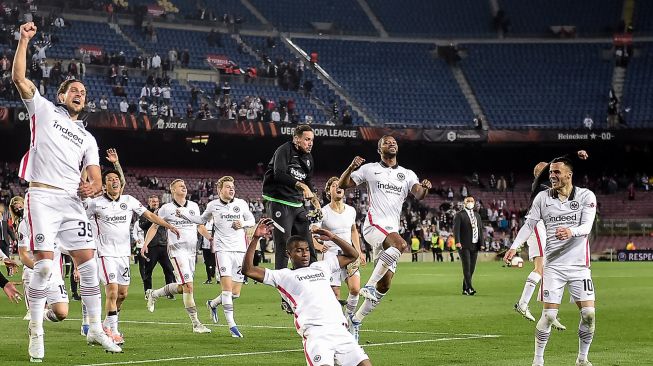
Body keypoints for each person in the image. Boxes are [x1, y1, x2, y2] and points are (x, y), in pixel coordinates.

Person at [12, 22, 121, 360]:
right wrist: (23, 40)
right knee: (44, 267)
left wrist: (95, 184)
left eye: (84, 92)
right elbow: (18, 78)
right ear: (61, 96)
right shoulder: (43, 110)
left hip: (72, 202)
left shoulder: (88, 138)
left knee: (88, 266)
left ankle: (94, 329)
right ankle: (35, 331)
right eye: (73, 89)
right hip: (42, 196)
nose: (79, 93)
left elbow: (94, 173)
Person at [505, 157, 597, 366]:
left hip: (579, 266)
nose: (552, 176)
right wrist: (514, 247)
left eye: (557, 172)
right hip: (553, 267)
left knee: (589, 315)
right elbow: (529, 225)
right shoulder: (542, 198)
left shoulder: (586, 196)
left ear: (569, 175)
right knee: (548, 315)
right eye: (551, 173)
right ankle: (538, 361)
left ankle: (582, 359)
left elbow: (587, 227)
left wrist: (571, 231)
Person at [243, 219, 372, 366]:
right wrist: (255, 239)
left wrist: (333, 237)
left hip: (340, 331)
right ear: (288, 254)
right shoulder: (283, 276)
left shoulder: (321, 267)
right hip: (317, 335)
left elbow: (352, 255)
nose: (305, 254)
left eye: (306, 249)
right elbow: (248, 270)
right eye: (298, 250)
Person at [338, 135, 431, 337]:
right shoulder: (370, 169)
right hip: (374, 225)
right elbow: (343, 184)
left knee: (385, 284)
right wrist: (351, 167)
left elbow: (419, 194)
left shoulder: (407, 174)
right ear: (379, 148)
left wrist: (425, 187)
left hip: (391, 230)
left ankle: (355, 320)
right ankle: (368, 286)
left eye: (394, 142)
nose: (392, 143)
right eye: (387, 142)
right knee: (401, 245)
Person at [85, 168, 179, 345]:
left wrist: (169, 226)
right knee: (112, 291)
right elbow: (79, 219)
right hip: (105, 254)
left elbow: (150, 215)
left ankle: (103, 326)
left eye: (116, 178)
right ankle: (113, 331)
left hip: (123, 255)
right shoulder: (95, 204)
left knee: (122, 294)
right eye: (110, 179)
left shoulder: (129, 201)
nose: (114, 181)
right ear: (104, 185)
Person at [505, 150, 588, 325]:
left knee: (549, 270)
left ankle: (549, 312)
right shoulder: (540, 188)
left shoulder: (554, 191)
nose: (552, 175)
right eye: (549, 171)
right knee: (542, 268)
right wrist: (573, 155)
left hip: (545, 228)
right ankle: (524, 303)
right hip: (537, 227)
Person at [179, 176, 255, 337]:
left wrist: (244, 224)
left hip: (240, 250)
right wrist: (184, 214)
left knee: (236, 293)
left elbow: (252, 219)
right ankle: (232, 326)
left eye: (232, 186)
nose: (231, 189)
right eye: (227, 186)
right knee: (227, 291)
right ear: (220, 190)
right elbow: (200, 220)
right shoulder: (213, 205)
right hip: (223, 251)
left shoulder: (241, 204)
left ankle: (212, 304)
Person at [262, 124, 320, 312]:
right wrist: (301, 186)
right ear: (296, 139)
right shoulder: (284, 150)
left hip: (297, 205)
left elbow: (309, 182)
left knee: (308, 246)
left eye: (311, 140)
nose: (310, 143)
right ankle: (284, 296)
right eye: (306, 139)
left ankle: (313, 290)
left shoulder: (309, 158)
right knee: (283, 245)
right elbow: (279, 174)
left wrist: (316, 201)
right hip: (278, 201)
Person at [144, 179, 212, 333]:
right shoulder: (166, 209)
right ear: (172, 190)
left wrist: (210, 238)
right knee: (189, 286)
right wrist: (145, 244)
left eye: (185, 186)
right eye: (180, 186)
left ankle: (153, 294)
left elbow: (200, 226)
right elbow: (154, 226)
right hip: (176, 251)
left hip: (191, 252)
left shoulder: (193, 206)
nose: (184, 188)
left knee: (183, 287)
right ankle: (196, 324)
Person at [312, 176, 366, 340]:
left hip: (349, 254)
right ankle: (336, 326)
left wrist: (359, 250)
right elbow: (312, 231)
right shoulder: (323, 211)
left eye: (340, 185)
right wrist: (319, 246)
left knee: (355, 289)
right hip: (331, 256)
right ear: (329, 191)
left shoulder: (351, 210)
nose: (338, 187)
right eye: (334, 185)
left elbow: (353, 231)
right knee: (334, 296)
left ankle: (348, 318)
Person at [139, 194, 176, 296]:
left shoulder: (163, 213)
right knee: (148, 271)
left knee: (169, 269)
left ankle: (169, 292)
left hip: (164, 245)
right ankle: (148, 292)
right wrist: (154, 217)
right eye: (153, 201)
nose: (155, 203)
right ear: (149, 203)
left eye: (156, 201)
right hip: (151, 247)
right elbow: (142, 226)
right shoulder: (144, 213)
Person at [453, 196, 483, 295]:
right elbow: (456, 230)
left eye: (472, 201)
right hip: (464, 245)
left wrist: (481, 243)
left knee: (472, 268)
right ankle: (469, 288)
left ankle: (465, 288)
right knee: (466, 267)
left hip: (475, 244)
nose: (470, 202)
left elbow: (480, 230)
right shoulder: (459, 215)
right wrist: (457, 241)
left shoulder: (477, 215)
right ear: (464, 203)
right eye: (468, 201)